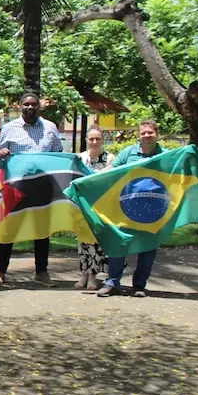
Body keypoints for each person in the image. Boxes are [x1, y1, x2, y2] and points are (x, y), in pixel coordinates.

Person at [0, 92, 63, 287]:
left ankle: (41, 271)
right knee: (10, 228)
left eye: (33, 104)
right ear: (20, 106)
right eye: (26, 105)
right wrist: (0, 153)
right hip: (17, 188)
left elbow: (57, 154)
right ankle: (0, 271)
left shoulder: (50, 127)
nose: (30, 108)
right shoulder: (9, 128)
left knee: (42, 230)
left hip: (43, 186)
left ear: (39, 107)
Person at [98, 120, 165, 298]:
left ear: (157, 134)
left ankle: (139, 286)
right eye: (143, 133)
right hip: (125, 208)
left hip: (154, 211)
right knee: (119, 243)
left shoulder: (166, 155)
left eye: (150, 132)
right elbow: (112, 169)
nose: (147, 135)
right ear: (138, 135)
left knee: (148, 247)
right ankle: (112, 282)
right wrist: (92, 178)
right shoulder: (129, 153)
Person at [75, 126, 114, 291]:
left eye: (98, 139)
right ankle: (83, 274)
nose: (95, 142)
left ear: (102, 140)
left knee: (96, 242)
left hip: (101, 206)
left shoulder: (110, 158)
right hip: (82, 206)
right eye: (91, 139)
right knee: (82, 241)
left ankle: (93, 276)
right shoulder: (79, 158)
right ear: (86, 140)